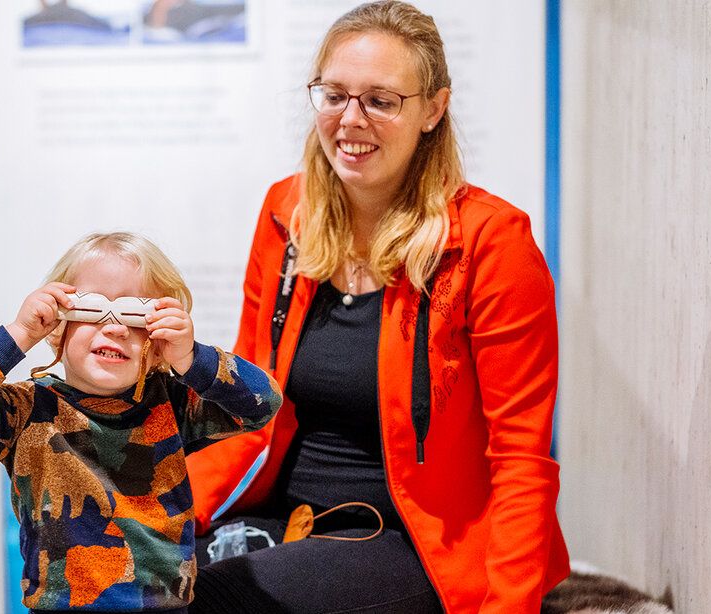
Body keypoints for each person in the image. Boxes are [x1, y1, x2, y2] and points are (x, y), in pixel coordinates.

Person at [184, 2, 570, 612]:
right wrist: (162, 513)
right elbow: (248, 405)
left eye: (381, 101)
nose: (350, 120)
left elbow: (522, 458)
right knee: (120, 573)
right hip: (288, 519)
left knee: (217, 600)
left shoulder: (493, 242)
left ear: (432, 110)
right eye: (334, 95)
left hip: (418, 542)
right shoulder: (287, 213)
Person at [0, 232, 282, 614]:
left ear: (157, 339)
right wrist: (21, 333)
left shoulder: (172, 405)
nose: (115, 327)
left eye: (136, 314)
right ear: (58, 325)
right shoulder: (28, 410)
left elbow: (262, 403)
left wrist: (192, 358)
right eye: (92, 309)